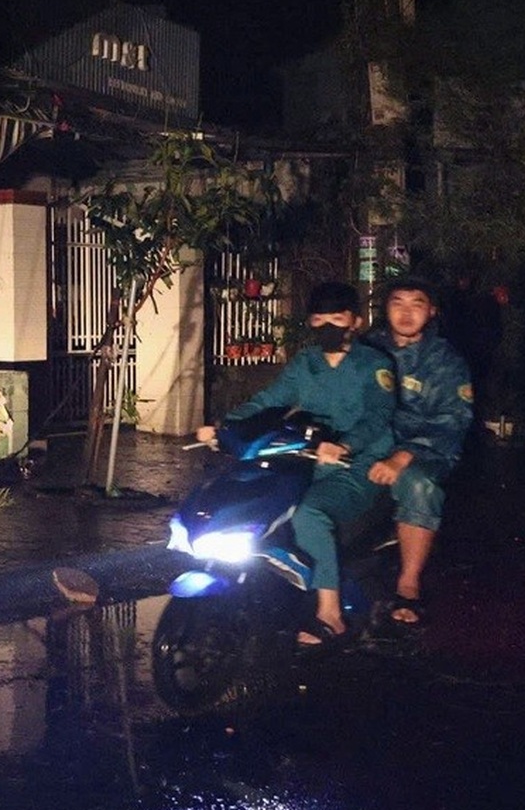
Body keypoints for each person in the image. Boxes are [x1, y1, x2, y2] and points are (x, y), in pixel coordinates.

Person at [197, 280, 396, 647]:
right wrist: (224, 426)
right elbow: (268, 399)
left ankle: (331, 615)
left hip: (357, 463)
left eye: (338, 318)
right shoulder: (306, 363)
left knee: (308, 514)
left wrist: (344, 445)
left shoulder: (375, 365)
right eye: (320, 319)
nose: (329, 327)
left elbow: (379, 417)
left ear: (356, 320)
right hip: (305, 456)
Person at [364, 276, 474, 627]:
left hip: (427, 450)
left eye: (417, 304)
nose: (407, 313)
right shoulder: (367, 349)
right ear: (385, 308)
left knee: (419, 485)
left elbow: (451, 422)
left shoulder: (445, 361)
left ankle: (408, 583)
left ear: (431, 311)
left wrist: (402, 456)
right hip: (370, 444)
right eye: (398, 302)